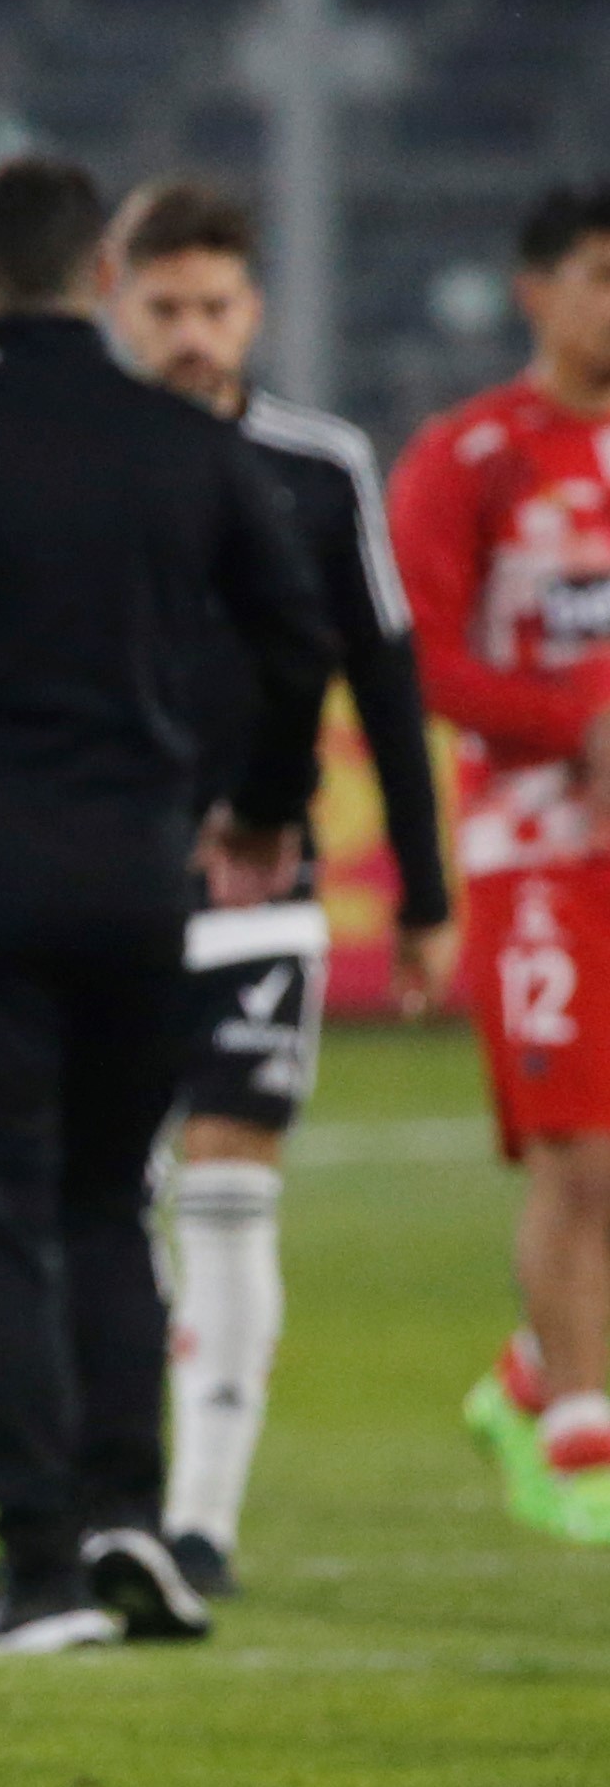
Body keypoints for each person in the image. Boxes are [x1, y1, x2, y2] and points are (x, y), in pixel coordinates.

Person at [0, 155, 333, 1651]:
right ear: (101, 279)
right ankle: (127, 1522)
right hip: (141, 893)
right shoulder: (185, 444)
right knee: (107, 1208)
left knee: (1, 1222)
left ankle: (36, 1568)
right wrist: (268, 803)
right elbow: (298, 637)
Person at [96, 178, 454, 1597]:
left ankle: (202, 1520)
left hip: (264, 888)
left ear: (257, 309)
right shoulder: (86, 460)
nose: (193, 334)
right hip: (106, 884)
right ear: (120, 300)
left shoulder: (321, 466)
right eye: (166, 305)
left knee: (234, 1179)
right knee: (111, 1198)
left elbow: (387, 672)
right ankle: (114, 1496)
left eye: (216, 306)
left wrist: (424, 894)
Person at [395, 180, 610, 1545]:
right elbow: (424, 651)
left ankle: (529, 1372)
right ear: (536, 289)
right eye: (598, 273)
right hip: (539, 853)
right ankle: (579, 1444)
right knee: (578, 1157)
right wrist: (572, 726)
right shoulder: (471, 455)